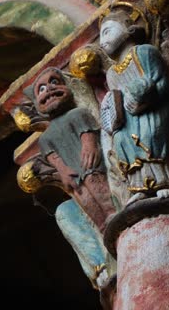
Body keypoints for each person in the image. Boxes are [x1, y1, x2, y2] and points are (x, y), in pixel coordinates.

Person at [98, 8, 169, 205]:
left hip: (155, 109)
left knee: (151, 131)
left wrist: (144, 99)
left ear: (129, 29)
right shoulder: (111, 73)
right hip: (129, 118)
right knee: (121, 138)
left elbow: (162, 83)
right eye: (99, 37)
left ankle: (165, 182)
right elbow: (116, 100)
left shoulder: (145, 52)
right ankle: (140, 187)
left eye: (107, 32)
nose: (101, 41)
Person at [33, 67, 114, 231]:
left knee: (97, 187)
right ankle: (103, 226)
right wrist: (63, 172)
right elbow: (53, 157)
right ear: (36, 104)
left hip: (89, 165)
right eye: (41, 89)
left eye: (54, 82)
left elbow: (87, 133)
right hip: (72, 174)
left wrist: (89, 145)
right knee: (84, 197)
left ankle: (113, 214)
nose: (49, 89)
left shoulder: (78, 113)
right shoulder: (44, 138)